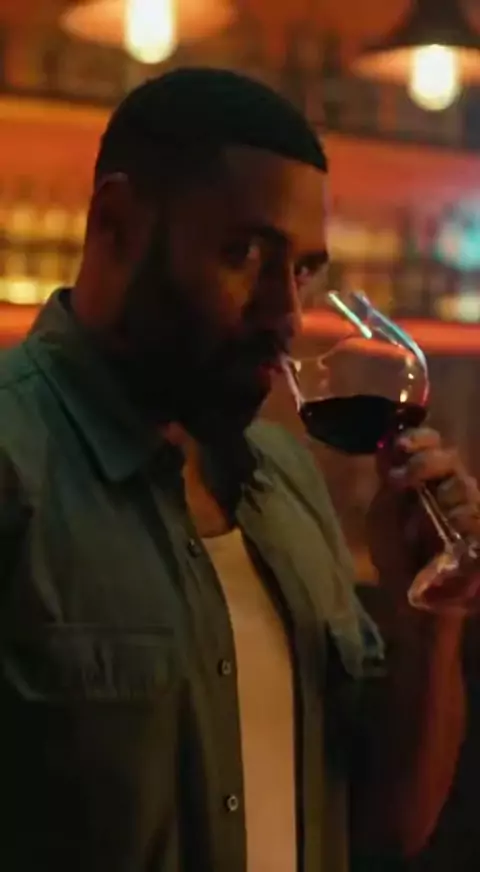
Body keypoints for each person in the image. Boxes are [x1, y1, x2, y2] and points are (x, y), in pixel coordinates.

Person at [0, 67, 476, 872]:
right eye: (244, 253)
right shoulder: (15, 464)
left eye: (303, 271)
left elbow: (388, 826)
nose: (287, 314)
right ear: (114, 224)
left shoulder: (287, 481)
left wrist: (431, 617)